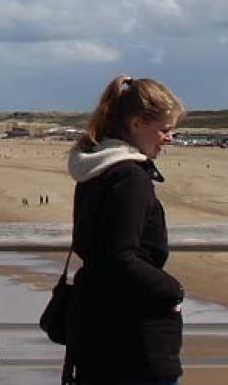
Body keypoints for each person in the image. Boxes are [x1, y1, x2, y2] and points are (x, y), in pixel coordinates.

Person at [65, 75, 185, 385]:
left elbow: (95, 249)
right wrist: (173, 292)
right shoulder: (129, 177)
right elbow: (119, 258)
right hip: (131, 342)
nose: (169, 138)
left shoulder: (96, 169)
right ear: (135, 124)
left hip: (97, 335)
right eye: (164, 130)